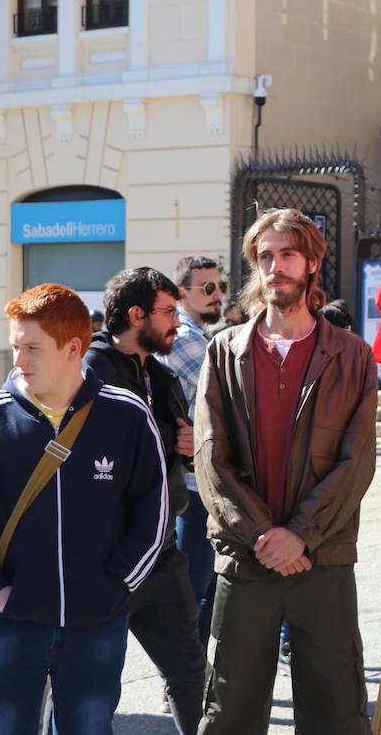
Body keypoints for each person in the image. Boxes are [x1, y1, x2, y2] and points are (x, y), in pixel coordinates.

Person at [0, 283, 168, 734]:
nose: (18, 361)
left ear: (73, 347)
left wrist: (113, 587)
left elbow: (152, 516)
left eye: (32, 348)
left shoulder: (128, 416)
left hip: (96, 623)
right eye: (15, 346)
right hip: (9, 623)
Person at [195, 207, 377, 735]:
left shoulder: (351, 356)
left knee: (335, 712)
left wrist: (300, 535)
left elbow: (358, 459)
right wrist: (265, 537)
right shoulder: (224, 351)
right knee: (229, 712)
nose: (275, 266)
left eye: (288, 254)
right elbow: (209, 458)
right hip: (246, 560)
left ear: (313, 262)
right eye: (265, 256)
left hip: (322, 560)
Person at [84, 267, 205, 734]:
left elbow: (184, 455)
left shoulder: (160, 373)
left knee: (190, 672)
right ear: (136, 315)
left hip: (161, 554)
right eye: (168, 311)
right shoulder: (89, 374)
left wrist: (192, 447)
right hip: (104, 562)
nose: (178, 321)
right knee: (91, 683)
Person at [155, 255, 226, 645]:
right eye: (208, 289)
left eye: (220, 287)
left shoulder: (202, 337)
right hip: (195, 484)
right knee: (196, 586)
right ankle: (181, 677)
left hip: (204, 479)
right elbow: (234, 399)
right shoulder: (185, 341)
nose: (217, 296)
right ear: (183, 294)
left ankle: (190, 672)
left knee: (207, 584)